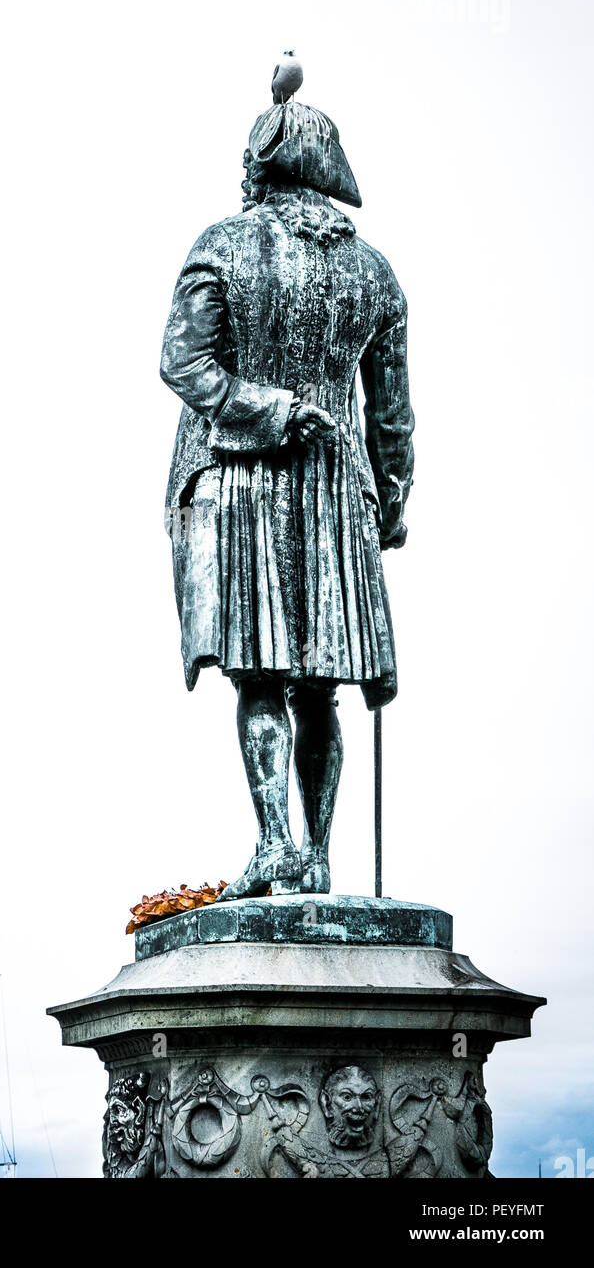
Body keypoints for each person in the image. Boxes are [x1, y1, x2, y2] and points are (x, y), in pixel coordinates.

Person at [161, 93, 414, 898]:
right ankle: (317, 856)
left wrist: (266, 410)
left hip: (243, 479)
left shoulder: (224, 245)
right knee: (320, 685)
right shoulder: (375, 273)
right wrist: (394, 497)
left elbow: (184, 366)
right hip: (339, 489)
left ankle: (279, 843)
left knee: (262, 675)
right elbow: (395, 416)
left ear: (264, 164)